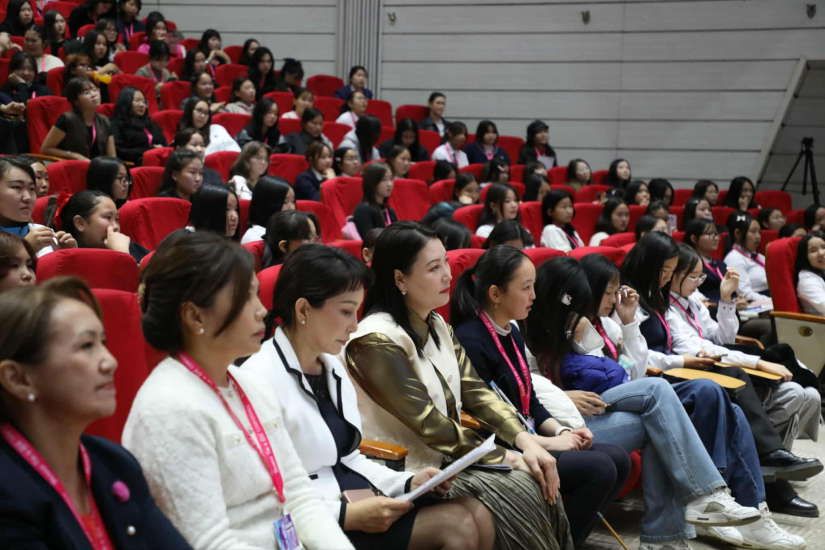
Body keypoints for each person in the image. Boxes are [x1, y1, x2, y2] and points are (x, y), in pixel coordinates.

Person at [540, 254, 805, 549]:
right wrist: (563, 395)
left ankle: (748, 512)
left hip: (624, 398)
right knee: (663, 398)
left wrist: (628, 325)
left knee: (727, 407)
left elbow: (632, 372)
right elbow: (526, 388)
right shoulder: (543, 332)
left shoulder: (600, 326)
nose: (613, 299)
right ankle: (705, 498)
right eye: (607, 292)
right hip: (578, 417)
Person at [245, 245, 493, 550]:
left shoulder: (331, 364)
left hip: (357, 498)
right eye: (346, 311)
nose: (354, 326)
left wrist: (407, 483)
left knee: (477, 512)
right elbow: (266, 497)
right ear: (304, 310)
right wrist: (347, 516)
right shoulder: (259, 378)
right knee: (458, 525)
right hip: (317, 522)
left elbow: (350, 457)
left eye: (357, 312)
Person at [345, 222, 575, 550]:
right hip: (402, 470)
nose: (448, 275)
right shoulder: (375, 339)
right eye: (434, 268)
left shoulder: (437, 323)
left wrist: (524, 440)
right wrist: (506, 457)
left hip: (447, 460)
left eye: (446, 263)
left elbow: (476, 391)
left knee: (533, 476)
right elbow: (428, 422)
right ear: (400, 279)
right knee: (521, 484)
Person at [121, 231, 355, 550]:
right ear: (194, 315)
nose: (262, 311)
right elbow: (208, 542)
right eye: (246, 298)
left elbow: (299, 496)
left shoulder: (250, 384)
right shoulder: (168, 409)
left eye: (257, 295)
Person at [623, 232, 823, 518]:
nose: (667, 278)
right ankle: (767, 473)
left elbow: (717, 339)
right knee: (728, 387)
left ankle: (765, 483)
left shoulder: (661, 298)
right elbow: (639, 356)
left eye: (699, 276)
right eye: (666, 271)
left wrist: (726, 300)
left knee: (772, 397)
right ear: (649, 266)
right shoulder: (635, 299)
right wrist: (684, 359)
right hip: (663, 375)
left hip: (681, 366)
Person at [452, 245, 633, 548]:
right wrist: (545, 443)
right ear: (495, 294)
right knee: (599, 468)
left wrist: (562, 432)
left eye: (534, 286)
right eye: (526, 288)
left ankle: (565, 541)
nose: (534, 296)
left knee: (619, 459)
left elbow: (531, 400)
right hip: (502, 447)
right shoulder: (470, 339)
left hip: (530, 435)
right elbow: (486, 417)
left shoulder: (512, 332)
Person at [0, 277, 194, 549]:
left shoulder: (114, 462)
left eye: (103, 342)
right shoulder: (7, 493)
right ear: (18, 379)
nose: (110, 362)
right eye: (86, 346)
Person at [670, 243, 821, 450]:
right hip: (707, 368)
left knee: (810, 394)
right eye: (693, 277)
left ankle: (775, 454)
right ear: (671, 274)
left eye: (700, 277)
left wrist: (726, 298)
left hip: (724, 359)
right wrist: (758, 363)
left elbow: (723, 338)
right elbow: (705, 349)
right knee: (794, 392)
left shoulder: (693, 299)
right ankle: (763, 452)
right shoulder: (666, 308)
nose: (698, 283)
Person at [0, 158, 76, 256]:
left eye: (32, 189)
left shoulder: (43, 233)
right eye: (17, 187)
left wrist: (65, 257)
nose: (28, 197)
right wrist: (26, 248)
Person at [49, 189, 149, 262]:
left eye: (117, 219)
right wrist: (122, 254)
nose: (115, 226)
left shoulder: (129, 246)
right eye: (108, 217)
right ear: (80, 223)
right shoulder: (73, 258)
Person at [41, 77, 116, 160]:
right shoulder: (67, 119)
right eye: (87, 93)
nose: (94, 95)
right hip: (72, 165)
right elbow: (46, 149)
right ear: (75, 100)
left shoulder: (105, 120)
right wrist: (75, 156)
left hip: (97, 166)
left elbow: (112, 157)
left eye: (95, 90)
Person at [110, 86, 167, 164]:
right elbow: (118, 150)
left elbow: (163, 143)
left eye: (144, 102)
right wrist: (148, 150)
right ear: (126, 102)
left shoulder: (150, 124)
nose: (142, 105)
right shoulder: (116, 123)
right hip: (133, 164)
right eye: (137, 101)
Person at [724, 212, 771, 302]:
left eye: (759, 232)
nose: (758, 236)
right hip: (758, 302)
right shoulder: (734, 258)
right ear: (738, 234)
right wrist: (773, 301)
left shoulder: (758, 256)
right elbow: (745, 293)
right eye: (753, 232)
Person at [241, 176, 294, 245]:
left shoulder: (290, 231)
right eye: (285, 202)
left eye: (293, 201)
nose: (292, 208)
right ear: (267, 205)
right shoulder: (255, 239)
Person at [352, 162, 397, 238]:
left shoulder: (390, 211)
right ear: (372, 182)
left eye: (391, 179)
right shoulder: (363, 209)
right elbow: (369, 240)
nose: (389, 184)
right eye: (384, 180)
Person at [796, 231, 825, 316]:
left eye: (824, 247)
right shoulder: (808, 281)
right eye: (813, 251)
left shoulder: (822, 270)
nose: (821, 253)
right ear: (805, 257)